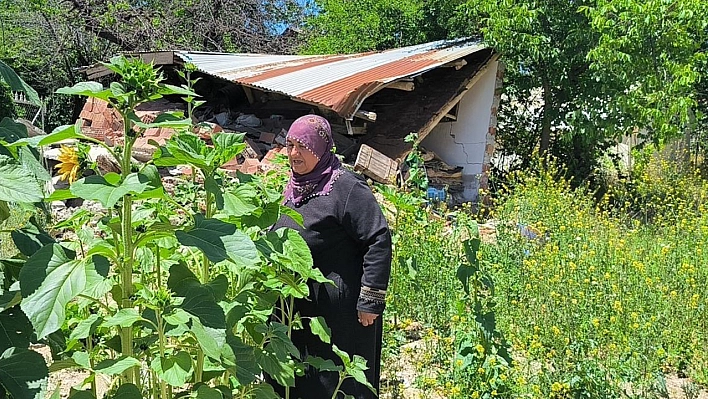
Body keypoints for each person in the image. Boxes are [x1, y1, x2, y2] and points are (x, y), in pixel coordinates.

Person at [271, 114, 392, 398]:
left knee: (337, 384)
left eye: (303, 146)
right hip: (296, 311)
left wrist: (370, 301)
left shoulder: (346, 188)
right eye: (290, 145)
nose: (293, 154)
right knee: (302, 381)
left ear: (321, 148)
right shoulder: (294, 188)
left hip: (340, 316)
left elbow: (378, 239)